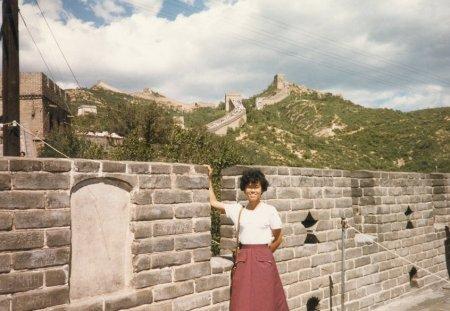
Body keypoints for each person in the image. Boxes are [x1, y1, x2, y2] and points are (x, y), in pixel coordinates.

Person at [208, 167, 289, 311]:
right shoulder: (237, 210)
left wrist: (264, 254)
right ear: (244, 189)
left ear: (262, 189)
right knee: (242, 301)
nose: (253, 191)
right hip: (243, 259)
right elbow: (213, 203)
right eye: (249, 187)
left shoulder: (270, 211)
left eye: (256, 187)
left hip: (264, 259)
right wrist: (209, 179)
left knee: (266, 300)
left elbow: (278, 237)